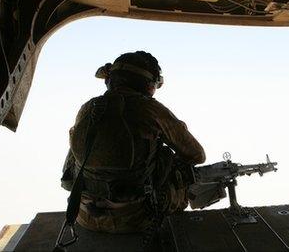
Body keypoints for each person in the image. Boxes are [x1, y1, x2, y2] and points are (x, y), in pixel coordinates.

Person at [60, 51, 205, 234]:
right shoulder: (150, 109)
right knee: (183, 170)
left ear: (110, 80)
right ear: (148, 85)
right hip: (135, 219)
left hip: (83, 215)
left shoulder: (88, 108)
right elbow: (197, 155)